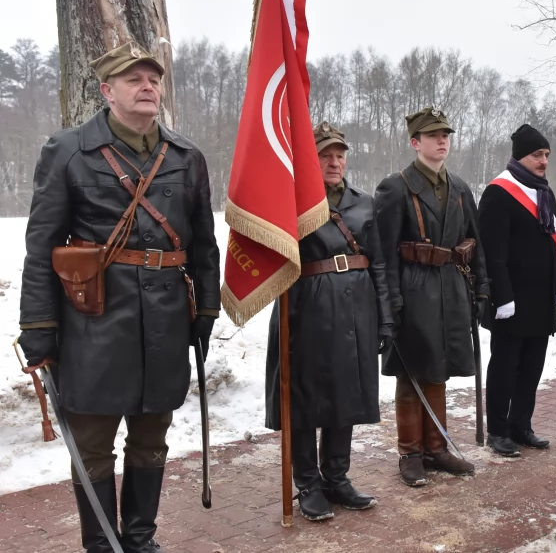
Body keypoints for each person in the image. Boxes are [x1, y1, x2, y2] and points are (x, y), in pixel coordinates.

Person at [17, 42, 221, 552]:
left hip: (167, 319)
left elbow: (203, 242)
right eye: (134, 79)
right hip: (93, 322)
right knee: (93, 444)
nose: (148, 85)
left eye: (153, 78)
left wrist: (208, 308)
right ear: (107, 91)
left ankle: (139, 538)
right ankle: (102, 544)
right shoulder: (67, 150)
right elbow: (42, 246)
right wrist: (39, 324)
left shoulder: (186, 155)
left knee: (152, 435)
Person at [266, 122, 390, 520]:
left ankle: (337, 478)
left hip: (358, 309)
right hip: (306, 307)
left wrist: (386, 319)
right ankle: (308, 483)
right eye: (325, 155)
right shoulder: (292, 202)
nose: (334, 162)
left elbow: (380, 264)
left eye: (339, 154)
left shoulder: (364, 203)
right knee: (303, 396)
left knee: (346, 393)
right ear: (310, 159)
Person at [374, 107, 488, 487]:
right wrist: (390, 303)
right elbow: (383, 252)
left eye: (446, 135)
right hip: (412, 287)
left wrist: (482, 287)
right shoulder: (395, 187)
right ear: (415, 142)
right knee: (411, 371)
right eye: (433, 135)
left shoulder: (459, 187)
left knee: (437, 369)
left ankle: (436, 448)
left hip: (451, 286)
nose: (442, 141)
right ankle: (410, 452)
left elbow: (476, 242)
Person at [479, 124, 556, 456]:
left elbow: (553, 245)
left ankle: (521, 425)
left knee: (532, 367)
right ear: (520, 156)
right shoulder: (499, 191)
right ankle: (498, 431)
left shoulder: (544, 192)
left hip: (540, 299)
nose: (543, 161)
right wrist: (501, 297)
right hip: (511, 300)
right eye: (537, 155)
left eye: (546, 154)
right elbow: (491, 251)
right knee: (505, 367)